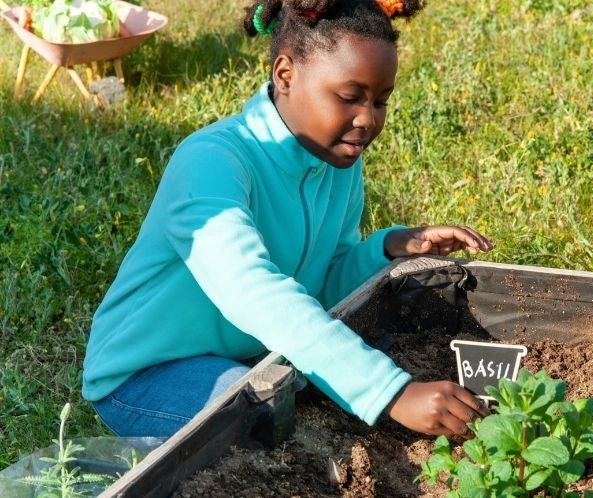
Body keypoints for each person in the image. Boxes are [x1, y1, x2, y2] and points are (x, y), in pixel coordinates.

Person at [81, 0, 493, 440]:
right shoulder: (211, 162)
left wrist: (387, 248)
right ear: (285, 75)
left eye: (380, 101)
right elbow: (253, 292)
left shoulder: (336, 164)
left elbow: (320, 288)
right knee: (267, 427)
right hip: (148, 375)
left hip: (254, 356)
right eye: (350, 97)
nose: (367, 119)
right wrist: (392, 393)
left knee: (303, 400)